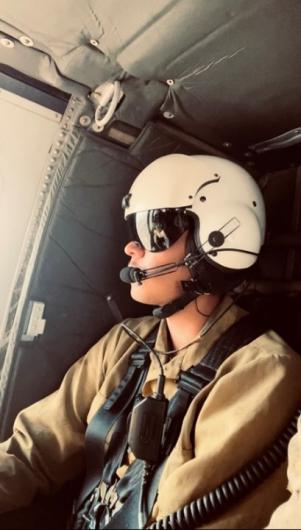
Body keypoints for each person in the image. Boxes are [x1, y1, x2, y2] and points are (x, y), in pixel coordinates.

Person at [0, 153, 301, 529]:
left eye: (152, 231)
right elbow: (33, 453)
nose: (132, 249)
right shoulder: (125, 342)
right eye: (133, 233)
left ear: (217, 241)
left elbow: (182, 513)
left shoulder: (262, 370)